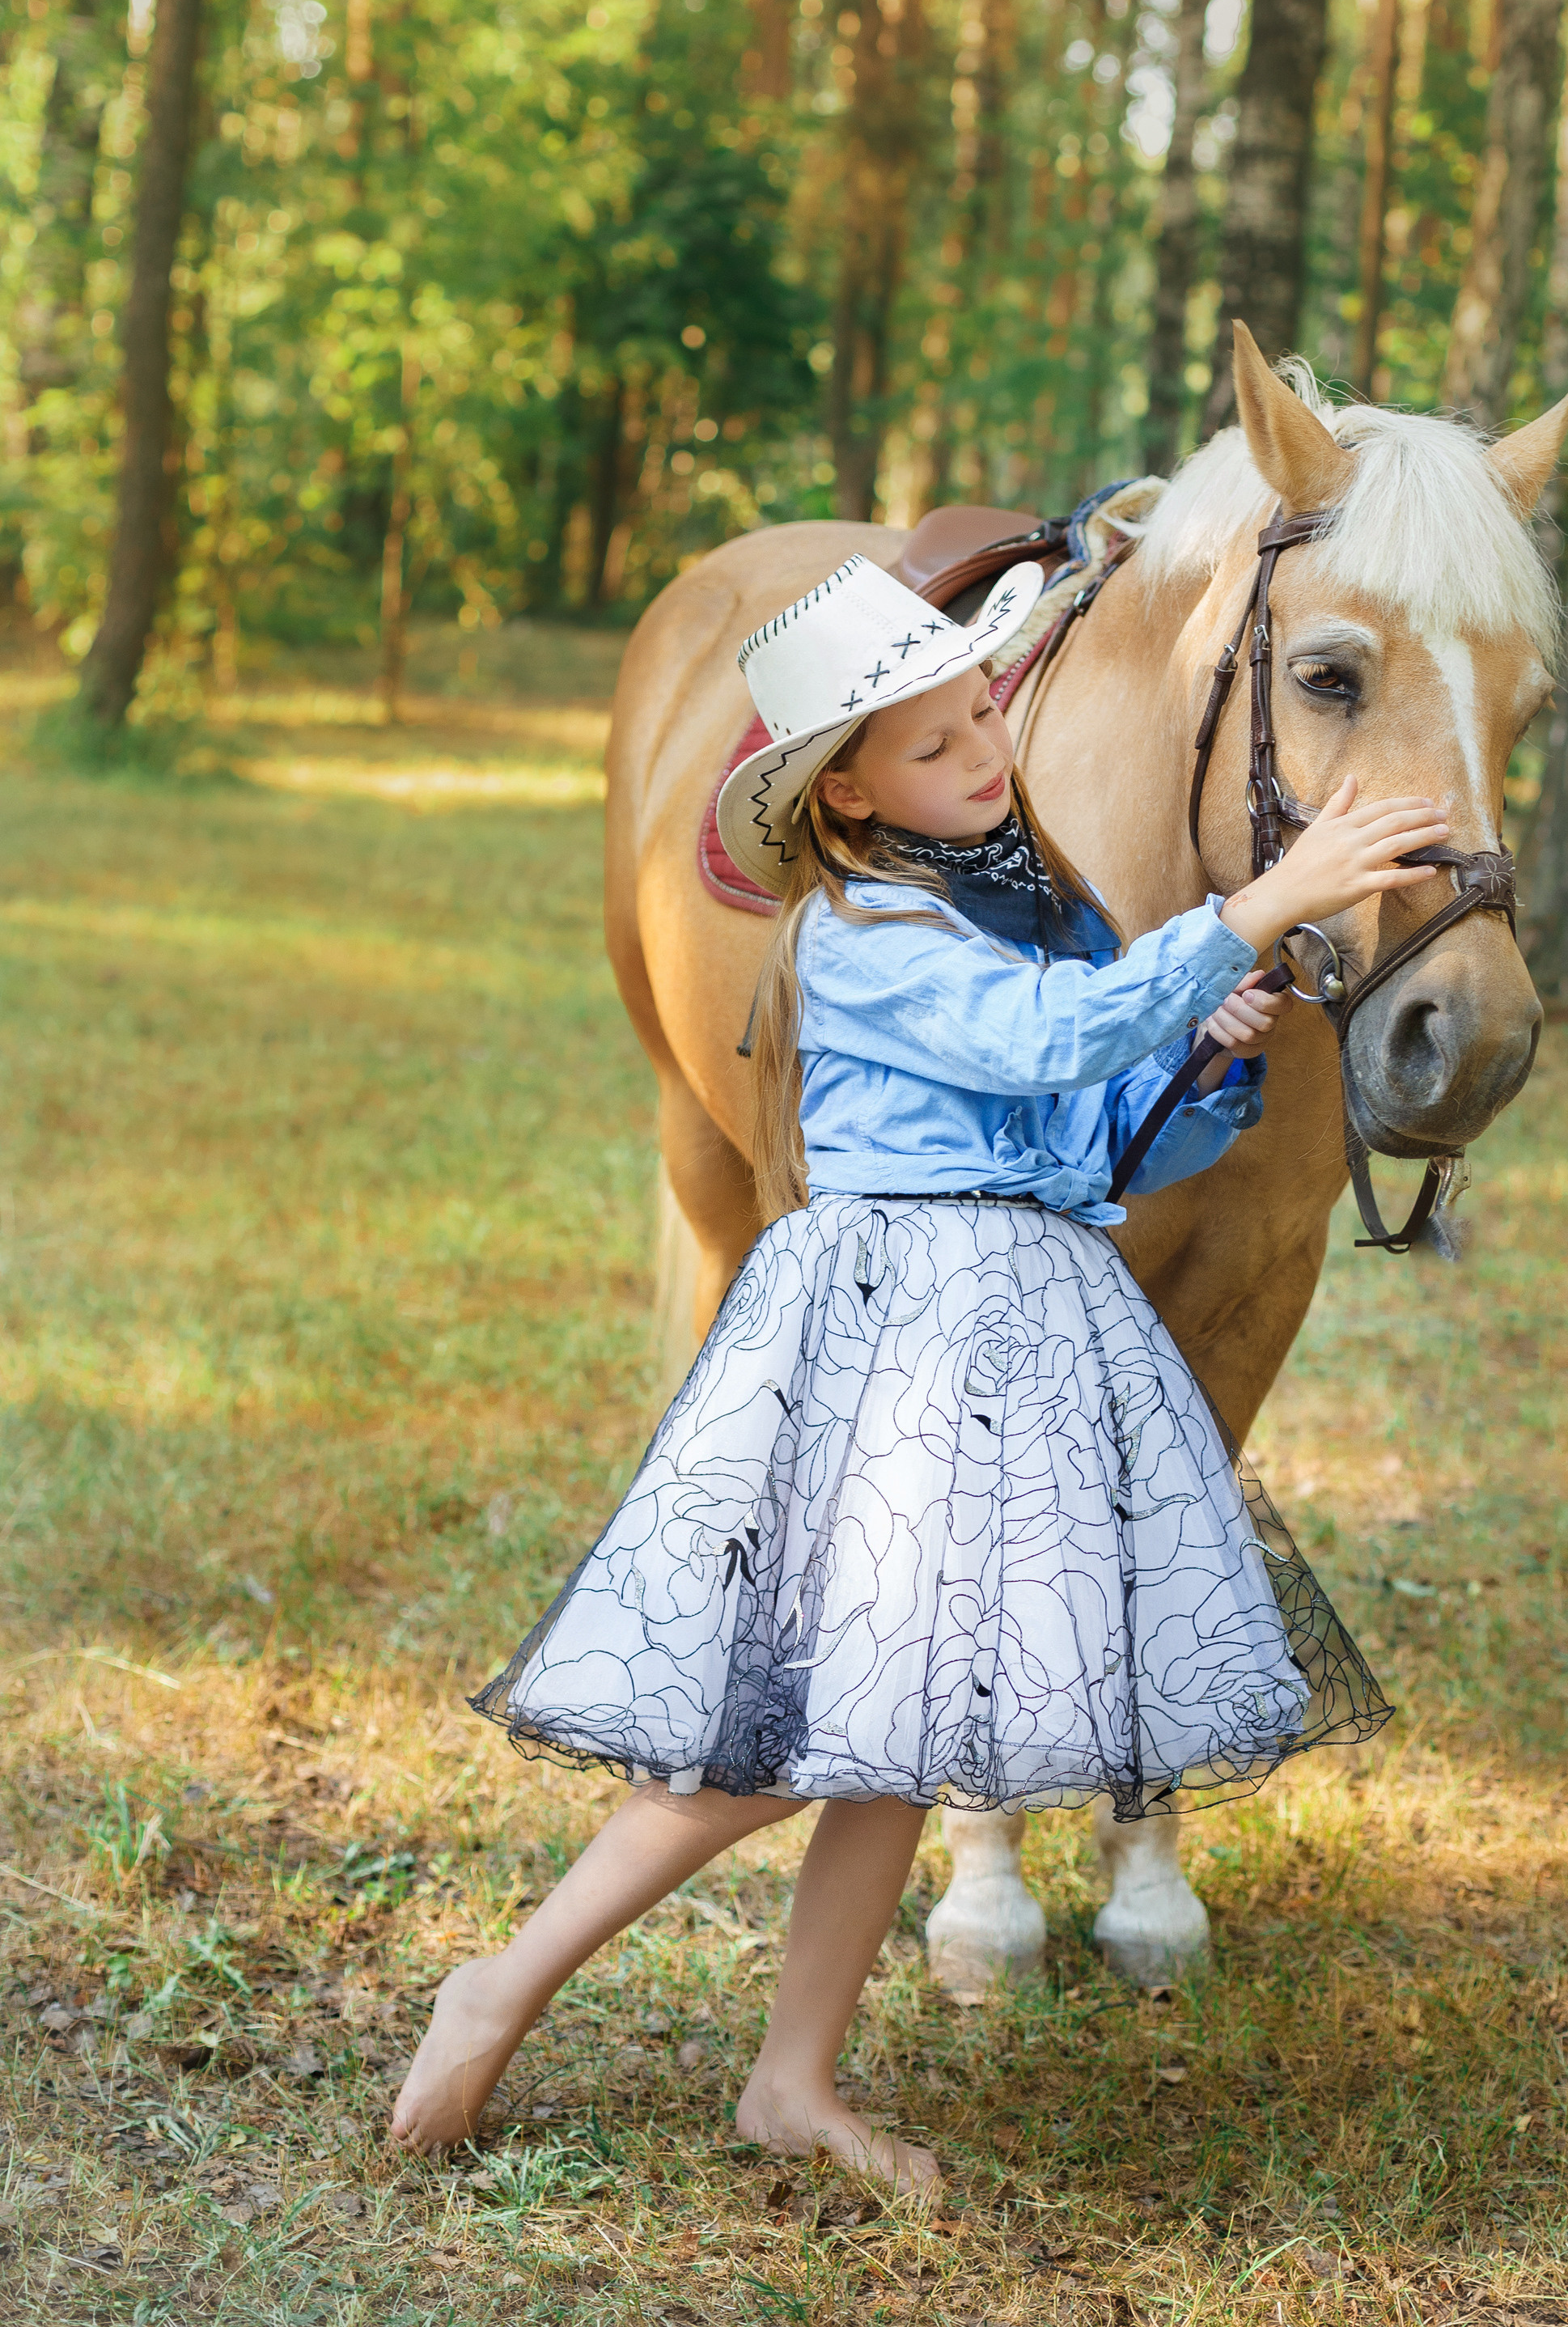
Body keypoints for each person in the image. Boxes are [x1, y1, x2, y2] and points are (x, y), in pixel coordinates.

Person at [391, 554, 1443, 2188]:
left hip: (1004, 1336)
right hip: (902, 1347)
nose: (984, 757)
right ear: (847, 796)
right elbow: (1038, 1042)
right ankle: (500, 1982)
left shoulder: (972, 916)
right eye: (940, 744)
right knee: (771, 1750)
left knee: (902, 1735)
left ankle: (793, 2076)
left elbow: (1077, 1137)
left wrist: (1195, 1044)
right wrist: (1253, 907)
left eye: (982, 721)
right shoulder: (867, 933)